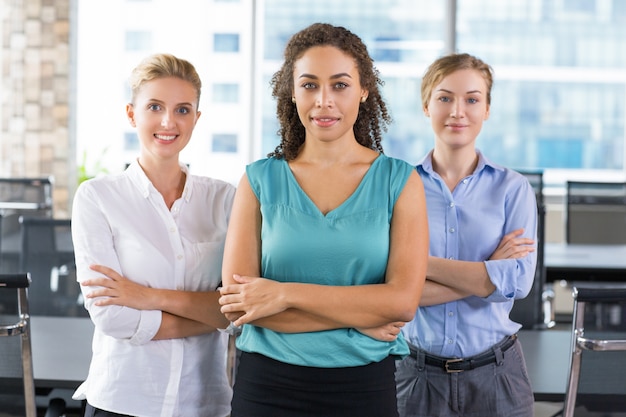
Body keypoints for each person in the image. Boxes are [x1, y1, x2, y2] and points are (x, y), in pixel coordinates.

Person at [217, 23, 429, 417]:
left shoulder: (400, 181)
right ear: (292, 92)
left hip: (364, 387)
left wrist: (284, 294)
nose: (324, 101)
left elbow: (401, 302)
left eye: (340, 85)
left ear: (364, 89)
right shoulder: (259, 180)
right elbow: (239, 307)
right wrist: (359, 319)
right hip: (267, 388)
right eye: (310, 85)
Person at [71, 53, 235, 417]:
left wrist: (145, 296)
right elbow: (114, 318)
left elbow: (236, 311)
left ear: (196, 117)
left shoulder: (224, 199)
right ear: (132, 114)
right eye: (155, 107)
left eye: (182, 109)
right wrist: (208, 314)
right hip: (123, 400)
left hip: (203, 403)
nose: (168, 121)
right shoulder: (98, 198)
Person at [395, 53, 537, 417]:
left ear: (487, 109)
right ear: (426, 106)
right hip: (416, 376)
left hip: (498, 375)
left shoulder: (512, 188)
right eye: (445, 98)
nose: (458, 111)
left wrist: (418, 265)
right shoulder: (399, 187)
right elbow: (393, 292)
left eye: (472, 99)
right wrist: (488, 271)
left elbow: (517, 282)